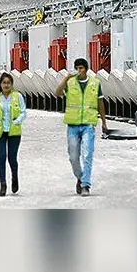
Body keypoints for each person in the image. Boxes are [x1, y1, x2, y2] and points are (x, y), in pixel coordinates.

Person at [55, 58, 107, 196]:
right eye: (77, 68)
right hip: (73, 125)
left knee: (87, 154)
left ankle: (86, 185)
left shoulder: (95, 83)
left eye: (81, 68)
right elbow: (58, 93)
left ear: (86, 69)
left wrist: (104, 122)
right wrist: (66, 78)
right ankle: (80, 176)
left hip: (88, 125)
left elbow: (100, 102)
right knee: (73, 157)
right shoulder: (70, 83)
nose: (79, 70)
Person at [0, 72, 27, 196]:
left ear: (12, 84)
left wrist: (17, 121)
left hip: (14, 132)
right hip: (0, 132)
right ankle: (3, 184)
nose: (6, 85)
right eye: (4, 82)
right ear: (0, 84)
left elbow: (23, 112)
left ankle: (14, 178)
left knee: (12, 158)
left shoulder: (17, 96)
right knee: (1, 157)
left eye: (8, 83)